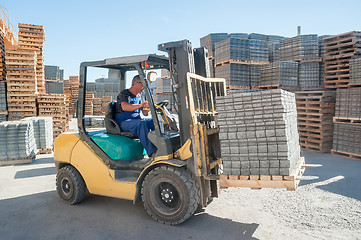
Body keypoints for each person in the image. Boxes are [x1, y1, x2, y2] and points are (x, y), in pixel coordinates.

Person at [115, 75, 157, 157]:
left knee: (154, 121)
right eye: (142, 84)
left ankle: (160, 146)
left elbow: (144, 113)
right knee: (141, 123)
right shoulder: (124, 94)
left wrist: (147, 108)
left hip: (135, 120)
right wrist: (140, 105)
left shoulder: (139, 96)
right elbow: (125, 107)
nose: (143, 87)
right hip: (124, 122)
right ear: (136, 83)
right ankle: (152, 152)